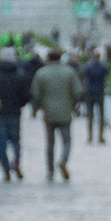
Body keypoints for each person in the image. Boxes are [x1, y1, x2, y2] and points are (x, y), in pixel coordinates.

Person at [31, 47, 82, 180]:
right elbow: (77, 91)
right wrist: (73, 105)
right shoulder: (69, 72)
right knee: (66, 141)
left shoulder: (41, 73)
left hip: (48, 112)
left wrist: (37, 108)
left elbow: (35, 94)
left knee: (50, 143)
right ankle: (63, 161)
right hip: (65, 111)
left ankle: (50, 171)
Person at [0, 47, 31, 181]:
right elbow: (26, 96)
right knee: (15, 141)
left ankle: (6, 169)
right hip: (14, 112)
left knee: (1, 142)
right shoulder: (20, 75)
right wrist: (19, 105)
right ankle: (16, 163)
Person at [81, 49, 111, 145]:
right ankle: (100, 136)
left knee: (90, 115)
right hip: (100, 91)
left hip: (90, 92)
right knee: (101, 115)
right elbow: (108, 74)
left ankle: (90, 135)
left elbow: (84, 76)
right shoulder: (103, 66)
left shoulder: (87, 66)